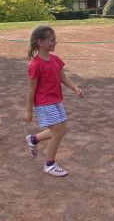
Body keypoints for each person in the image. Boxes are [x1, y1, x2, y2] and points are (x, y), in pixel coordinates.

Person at [23, 25, 84, 177]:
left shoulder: (56, 60)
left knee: (59, 131)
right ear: (40, 42)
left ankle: (33, 139)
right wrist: (29, 111)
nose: (55, 42)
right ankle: (49, 164)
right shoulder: (36, 65)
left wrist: (75, 88)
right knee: (58, 132)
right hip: (44, 103)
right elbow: (31, 90)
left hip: (56, 101)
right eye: (52, 40)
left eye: (55, 39)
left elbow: (64, 78)